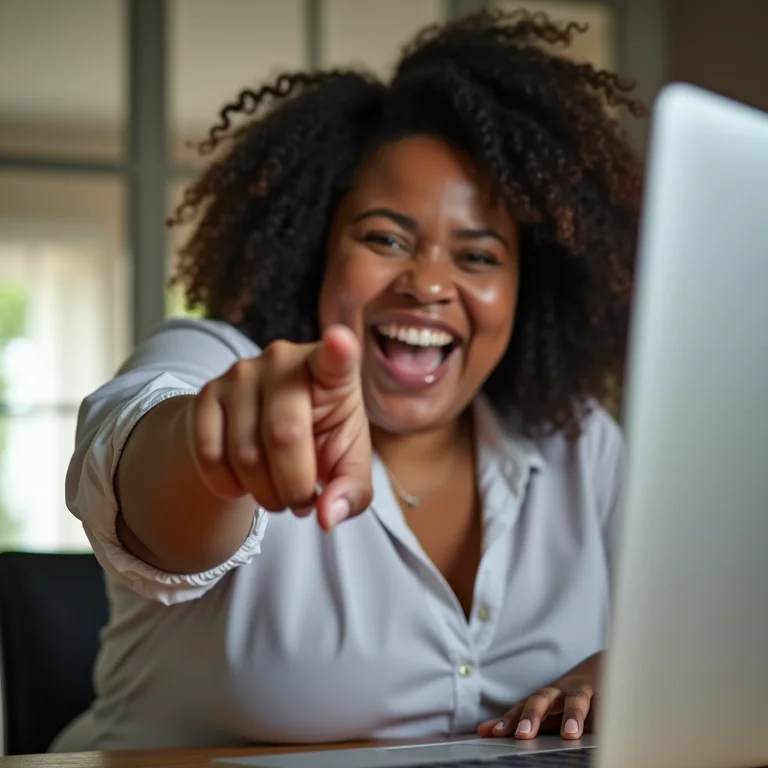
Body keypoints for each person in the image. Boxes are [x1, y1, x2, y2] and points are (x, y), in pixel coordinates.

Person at [52, 7, 645, 753]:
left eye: (479, 255)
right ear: (315, 252)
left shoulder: (580, 445)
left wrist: (625, 673)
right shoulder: (218, 364)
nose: (428, 284)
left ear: (532, 290)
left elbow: (695, 632)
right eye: (386, 238)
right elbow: (144, 470)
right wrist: (220, 447)